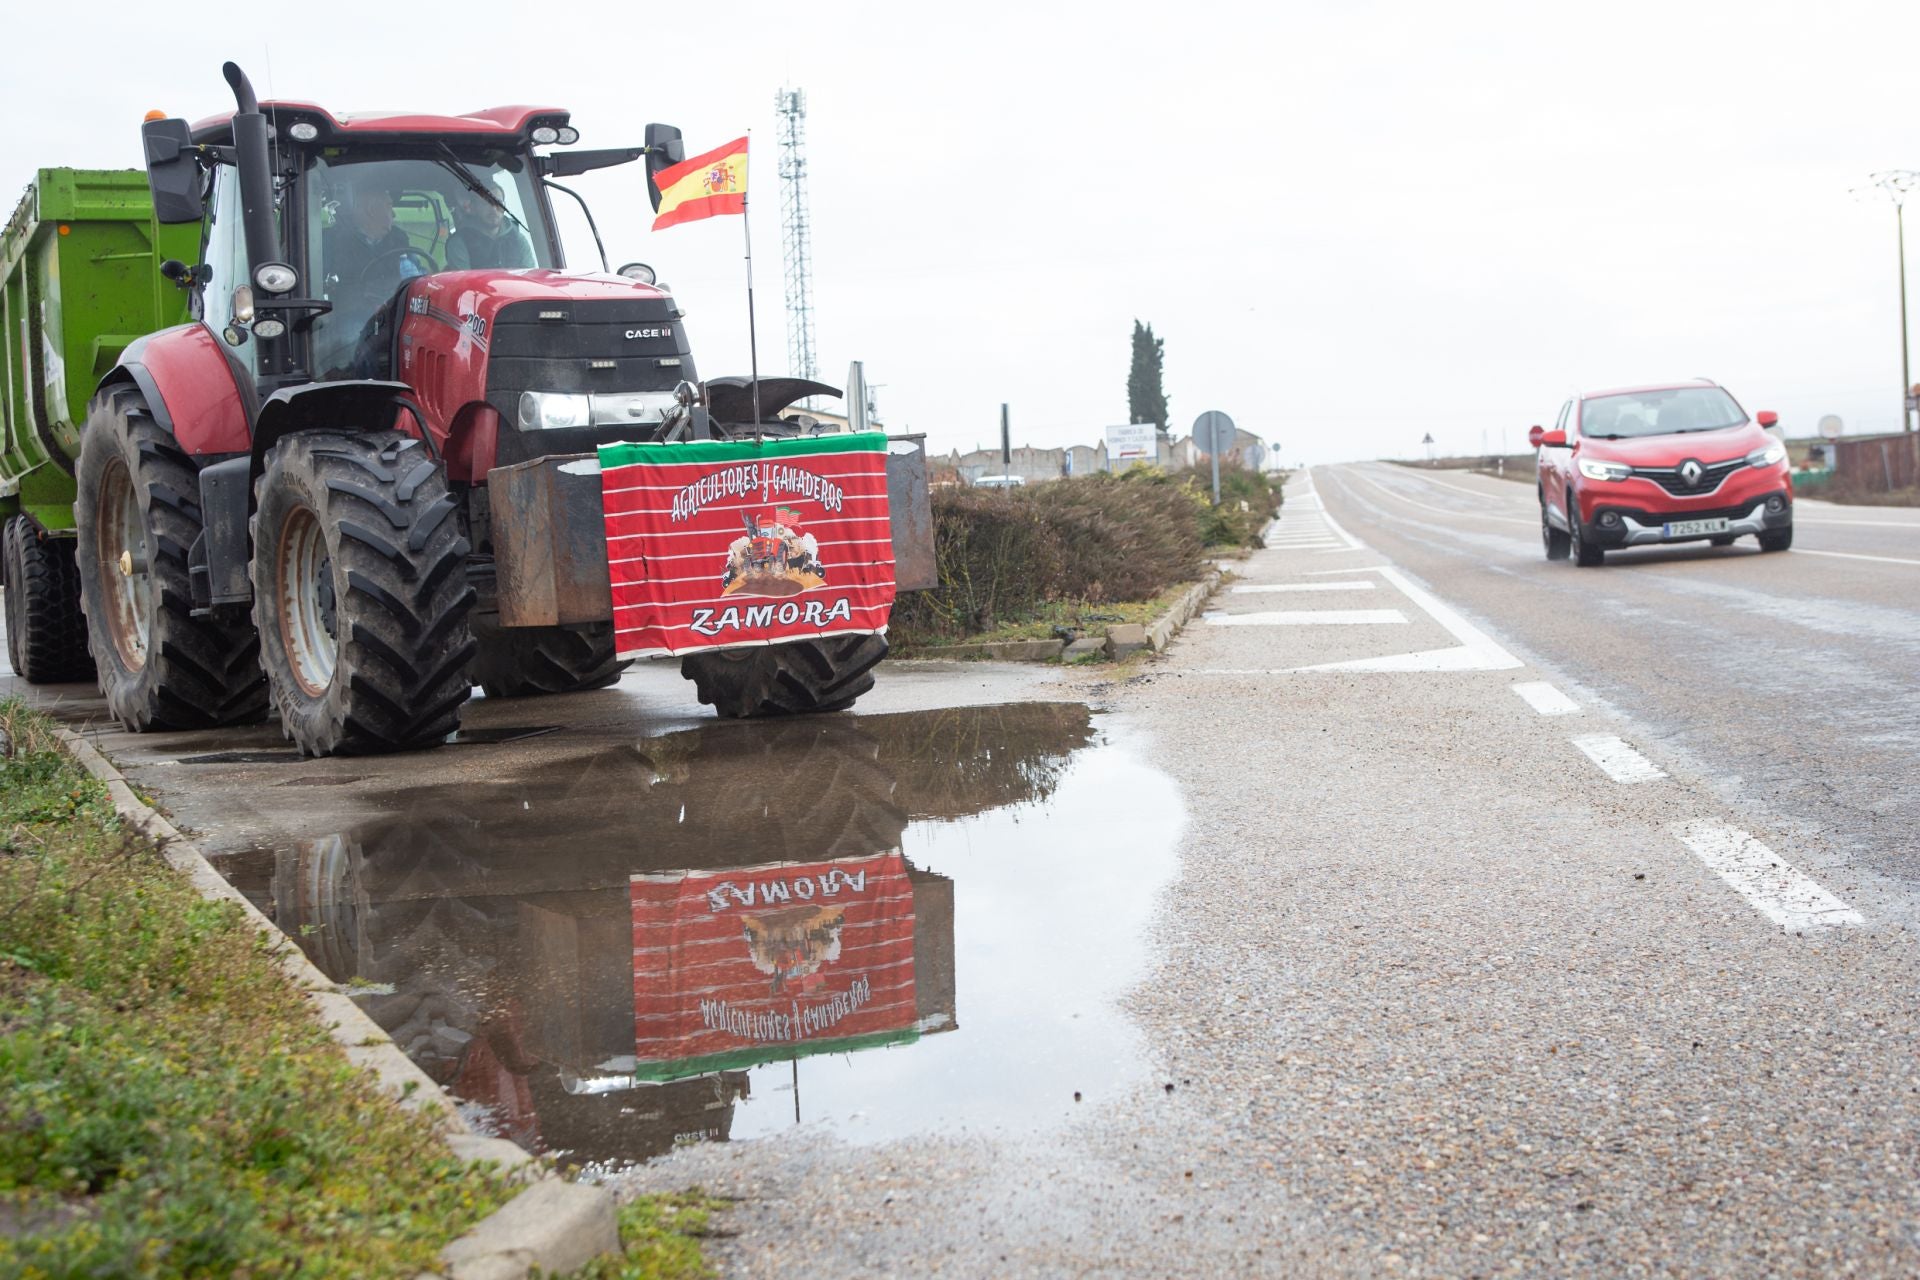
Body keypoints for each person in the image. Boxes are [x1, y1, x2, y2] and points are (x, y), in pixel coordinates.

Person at [323, 180, 414, 289]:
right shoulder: (331, 241)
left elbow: (417, 277)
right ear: (372, 210)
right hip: (348, 304)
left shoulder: (399, 239)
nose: (394, 214)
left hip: (395, 303)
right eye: (389, 206)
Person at [446, 187, 534, 271]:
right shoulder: (459, 243)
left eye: (498, 203)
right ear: (473, 208)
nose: (494, 209)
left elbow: (529, 280)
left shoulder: (518, 239)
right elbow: (463, 284)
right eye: (485, 203)